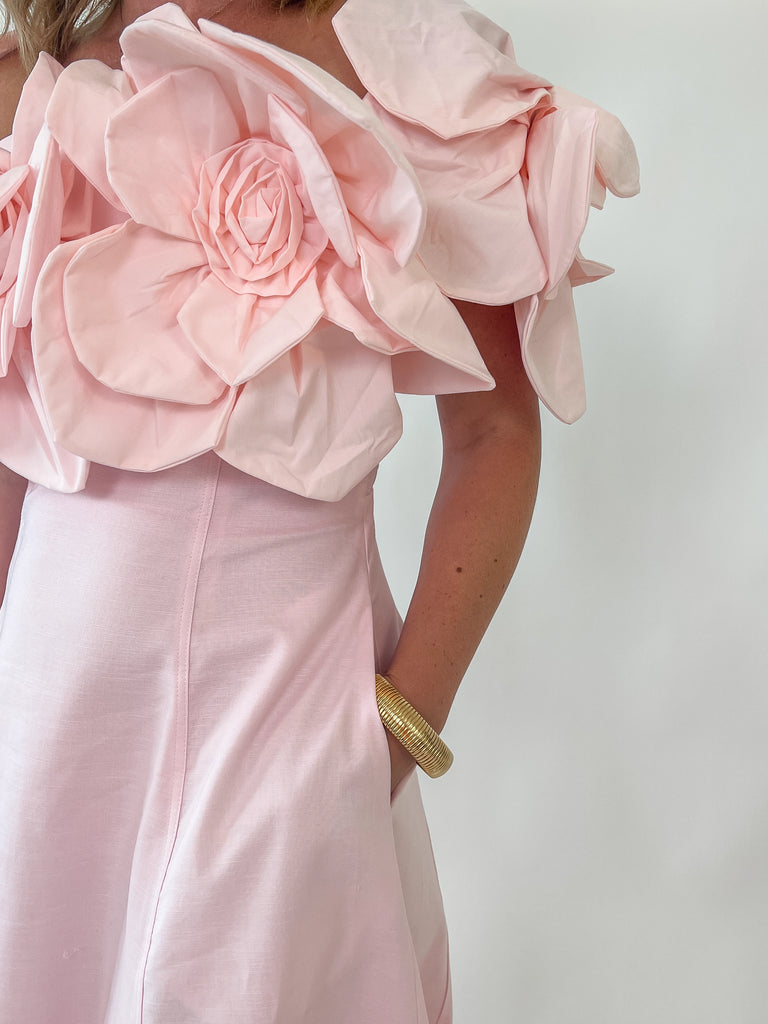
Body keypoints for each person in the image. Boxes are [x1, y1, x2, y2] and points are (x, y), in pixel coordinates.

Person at [0, 0, 640, 1020]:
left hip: (283, 719)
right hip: (46, 718)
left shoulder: (410, 61)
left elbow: (494, 438)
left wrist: (400, 727)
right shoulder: (49, 61)